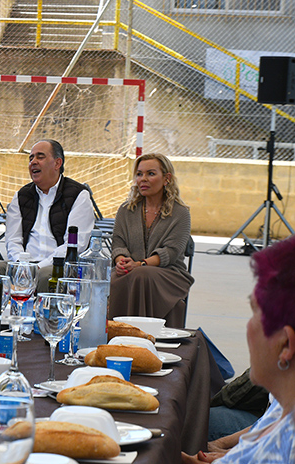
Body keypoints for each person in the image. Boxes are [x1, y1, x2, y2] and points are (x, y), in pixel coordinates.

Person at [181, 236, 295, 463]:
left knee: (188, 419)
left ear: (286, 345)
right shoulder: (285, 401)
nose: (248, 326)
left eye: (255, 314)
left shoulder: (276, 450)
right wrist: (227, 452)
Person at [110, 153, 193, 328]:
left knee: (142, 275)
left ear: (167, 178)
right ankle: (115, 333)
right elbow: (118, 243)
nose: (143, 179)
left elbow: (171, 252)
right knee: (116, 279)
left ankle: (139, 332)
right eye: (139, 174)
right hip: (129, 272)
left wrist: (140, 264)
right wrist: (122, 262)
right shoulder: (126, 210)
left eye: (151, 174)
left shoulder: (181, 213)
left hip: (169, 274)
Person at [3, 139, 95, 291]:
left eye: (40, 157)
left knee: (45, 276)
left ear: (57, 163)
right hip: (24, 264)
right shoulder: (21, 196)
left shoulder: (78, 195)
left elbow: (75, 245)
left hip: (57, 265)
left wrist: (39, 267)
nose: (33, 162)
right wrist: (21, 264)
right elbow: (12, 239)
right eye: (31, 158)